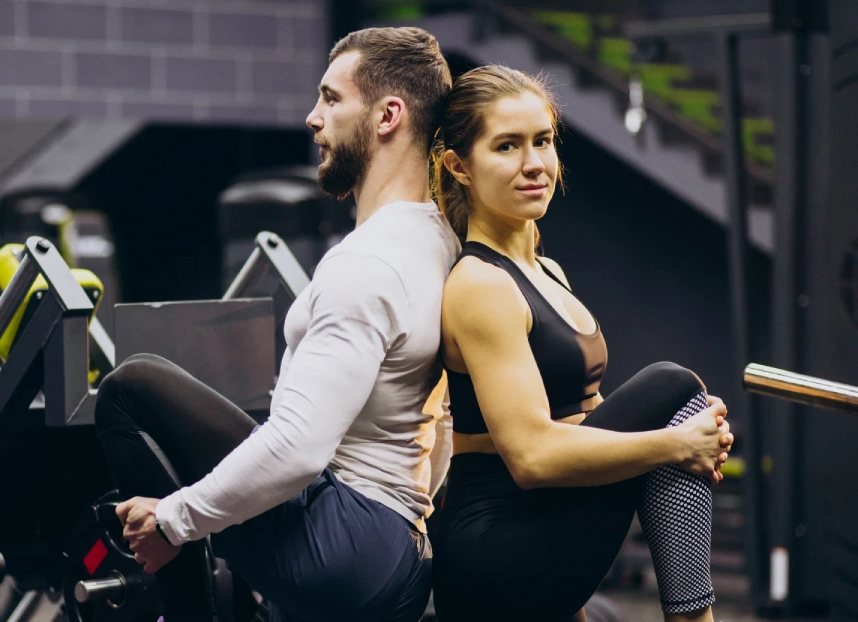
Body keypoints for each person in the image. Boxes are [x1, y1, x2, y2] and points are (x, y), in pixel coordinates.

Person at [93, 27, 458, 622]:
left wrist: (172, 521)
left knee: (132, 387)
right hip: (400, 556)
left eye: (332, 99)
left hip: (344, 542)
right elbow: (439, 428)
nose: (313, 118)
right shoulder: (440, 244)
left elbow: (298, 448)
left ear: (388, 116)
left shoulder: (366, 263)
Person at [427, 64, 734, 622]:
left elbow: (586, 421)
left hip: (543, 520)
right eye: (507, 146)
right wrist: (676, 443)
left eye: (542, 141)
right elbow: (532, 458)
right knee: (671, 386)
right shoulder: (480, 284)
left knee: (678, 404)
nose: (534, 163)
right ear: (459, 166)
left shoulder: (548, 271)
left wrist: (693, 434)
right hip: (494, 546)